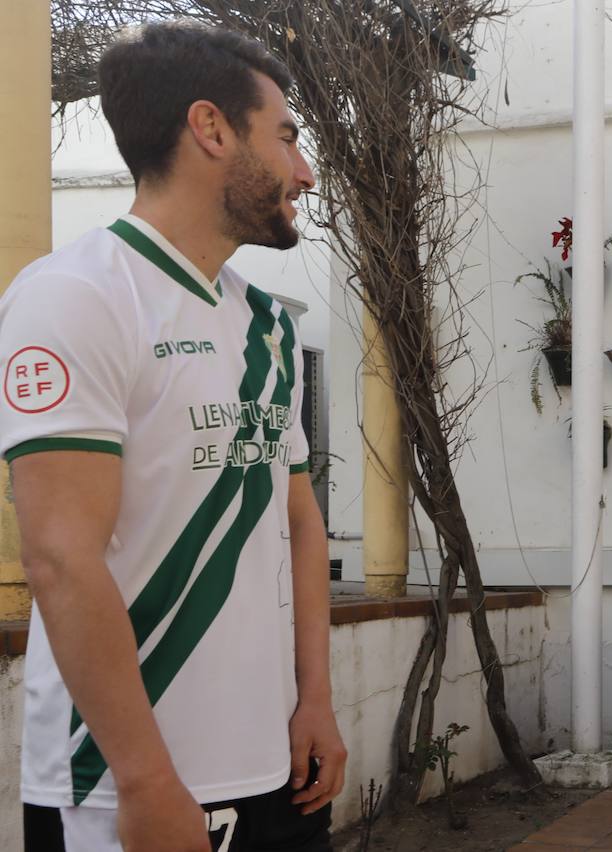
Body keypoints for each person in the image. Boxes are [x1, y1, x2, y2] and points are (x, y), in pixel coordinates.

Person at [0, 21, 345, 852]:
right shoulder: (72, 297)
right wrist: (147, 782)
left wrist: (317, 700)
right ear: (211, 129)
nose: (303, 172)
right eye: (288, 137)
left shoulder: (266, 325)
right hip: (122, 789)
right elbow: (59, 557)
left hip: (273, 767)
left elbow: (296, 521)